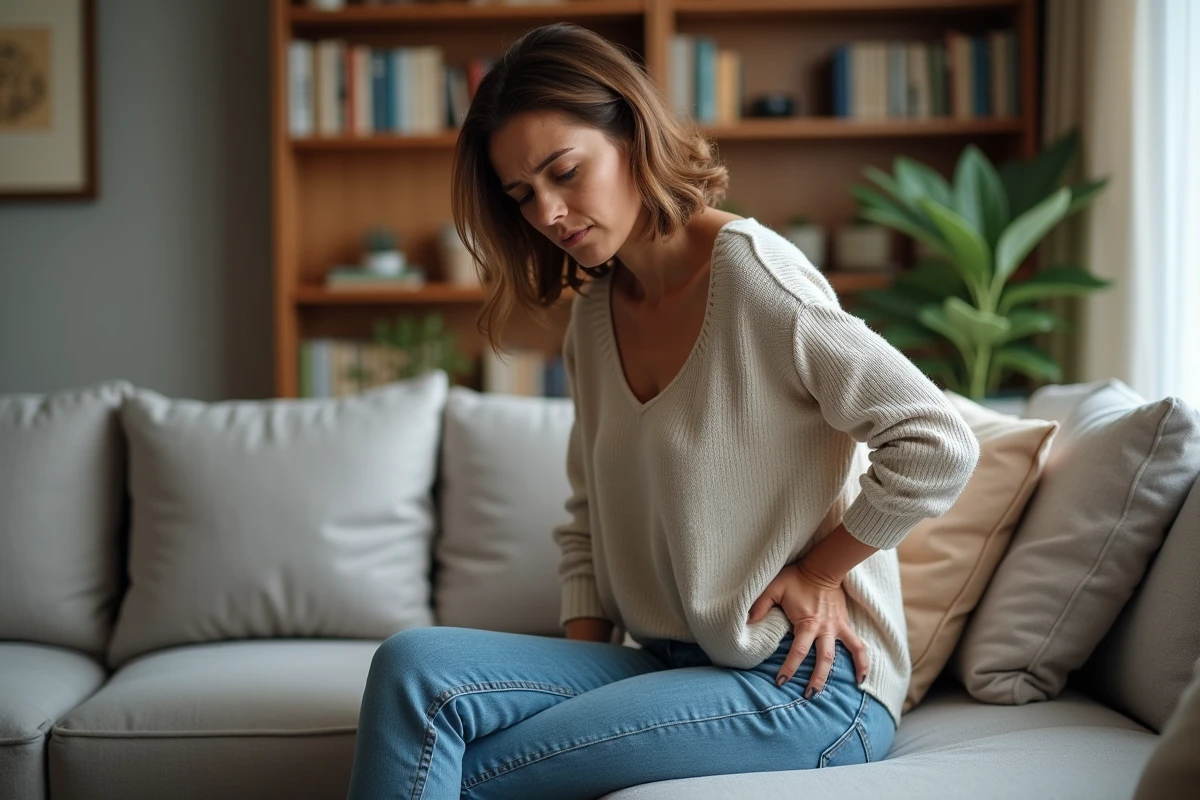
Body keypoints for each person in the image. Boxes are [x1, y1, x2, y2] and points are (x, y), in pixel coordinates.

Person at [346, 23, 980, 800]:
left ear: (632, 135)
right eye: (523, 195)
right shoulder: (593, 312)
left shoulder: (756, 279)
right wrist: (577, 678)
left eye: (565, 172)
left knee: (467, 776)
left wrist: (820, 571)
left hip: (806, 684)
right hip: (668, 661)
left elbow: (936, 440)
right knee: (412, 668)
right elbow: (585, 517)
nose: (547, 211)